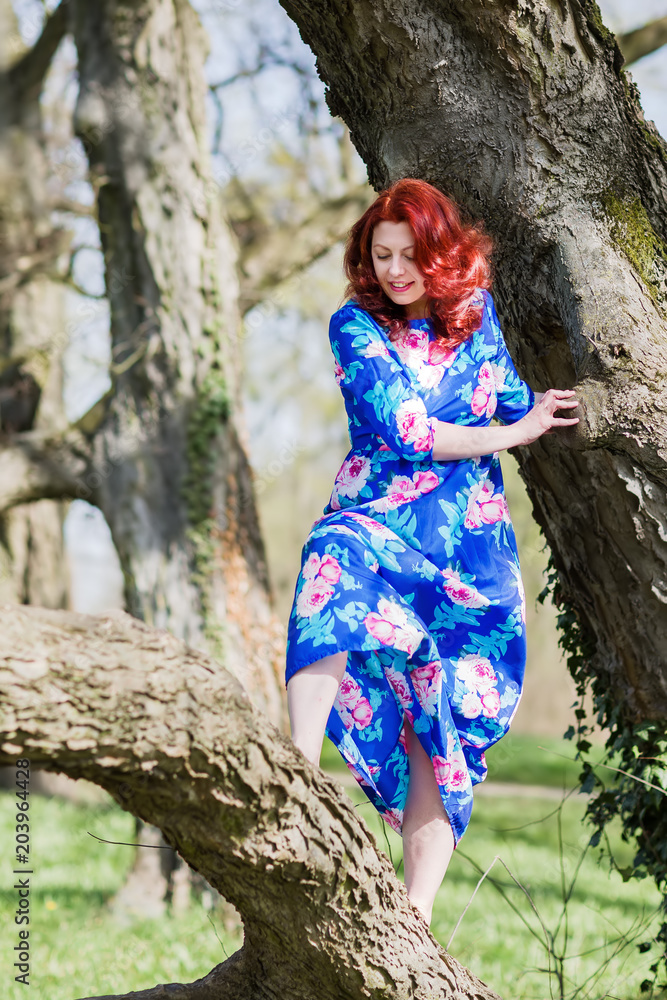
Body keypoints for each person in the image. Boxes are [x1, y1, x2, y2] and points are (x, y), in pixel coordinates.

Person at [284, 178, 578, 925]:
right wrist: (515, 433)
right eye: (380, 255)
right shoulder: (355, 326)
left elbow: (508, 396)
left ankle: (414, 919)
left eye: (408, 255)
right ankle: (293, 774)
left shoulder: (477, 319)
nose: (393, 270)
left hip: (468, 556)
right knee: (330, 565)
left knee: (439, 730)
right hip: (379, 524)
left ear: (438, 252)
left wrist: (543, 409)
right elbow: (409, 432)